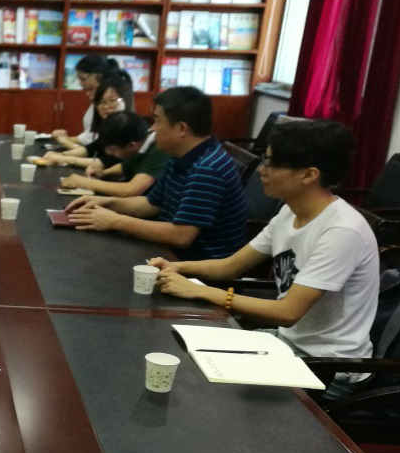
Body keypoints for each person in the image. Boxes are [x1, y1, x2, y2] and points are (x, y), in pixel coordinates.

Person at [150, 120, 378, 398]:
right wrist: (177, 267)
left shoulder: (342, 231)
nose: (261, 170)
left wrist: (201, 291)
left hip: (328, 368)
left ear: (309, 175)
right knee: (182, 352)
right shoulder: (290, 212)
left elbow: (288, 313)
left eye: (271, 163)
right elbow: (230, 266)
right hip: (285, 345)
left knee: (207, 393)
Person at [66, 86, 247, 260]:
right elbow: (152, 204)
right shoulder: (180, 156)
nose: (152, 128)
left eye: (157, 121)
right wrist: (107, 203)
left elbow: (181, 236)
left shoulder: (208, 168)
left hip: (192, 267)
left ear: (181, 129)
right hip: (167, 252)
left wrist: (115, 221)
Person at [32, 71, 133, 168]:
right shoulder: (108, 126)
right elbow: (90, 149)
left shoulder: (128, 127)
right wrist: (61, 155)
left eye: (112, 100)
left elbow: (106, 162)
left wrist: (63, 158)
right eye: (102, 102)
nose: (106, 106)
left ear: (125, 100)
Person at [58, 112, 167, 197]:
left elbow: (131, 189)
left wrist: (84, 182)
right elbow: (125, 166)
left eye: (113, 149)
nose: (110, 153)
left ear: (131, 145)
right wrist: (103, 173)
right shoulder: (143, 140)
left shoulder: (159, 148)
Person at [49, 55, 120, 149]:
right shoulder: (98, 100)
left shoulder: (115, 104)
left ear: (98, 76)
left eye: (83, 79)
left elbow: (95, 142)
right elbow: (91, 137)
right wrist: (65, 139)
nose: (81, 83)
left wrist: (65, 140)